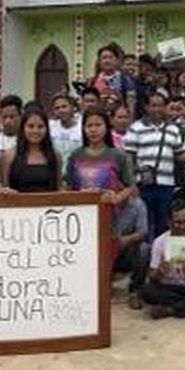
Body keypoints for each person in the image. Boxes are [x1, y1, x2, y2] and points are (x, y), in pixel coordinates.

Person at [64, 109, 138, 262]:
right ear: (83, 129)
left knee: (104, 267)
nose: (93, 129)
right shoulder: (75, 155)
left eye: (98, 124)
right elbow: (68, 186)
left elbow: (130, 186)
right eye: (89, 125)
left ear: (107, 127)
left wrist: (117, 198)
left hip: (109, 220)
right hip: (80, 221)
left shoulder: (119, 156)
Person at [125, 92, 185, 240]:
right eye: (153, 105)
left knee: (164, 223)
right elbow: (129, 157)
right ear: (146, 107)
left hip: (166, 185)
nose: (157, 109)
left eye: (160, 105)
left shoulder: (173, 129)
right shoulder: (136, 128)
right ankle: (145, 258)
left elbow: (180, 156)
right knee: (143, 224)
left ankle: (160, 256)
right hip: (143, 184)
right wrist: (131, 183)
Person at [0, 108, 61, 193]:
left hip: (49, 205)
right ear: (23, 128)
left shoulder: (55, 155)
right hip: (18, 205)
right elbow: (4, 188)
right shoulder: (9, 156)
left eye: (40, 126)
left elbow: (58, 188)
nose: (35, 131)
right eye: (30, 126)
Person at [47, 93, 84, 158]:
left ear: (72, 107)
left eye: (64, 106)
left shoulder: (82, 127)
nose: (61, 110)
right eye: (57, 108)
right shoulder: (50, 127)